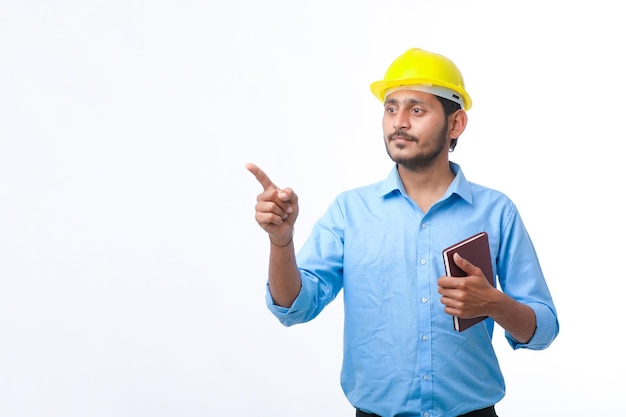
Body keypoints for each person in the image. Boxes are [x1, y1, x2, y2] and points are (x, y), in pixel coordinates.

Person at [246, 48, 559, 417]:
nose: (400, 122)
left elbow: (543, 329)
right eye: (391, 108)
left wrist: (494, 304)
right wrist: (281, 241)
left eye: (417, 110)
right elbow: (293, 308)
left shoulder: (497, 212)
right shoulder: (351, 212)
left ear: (455, 124)